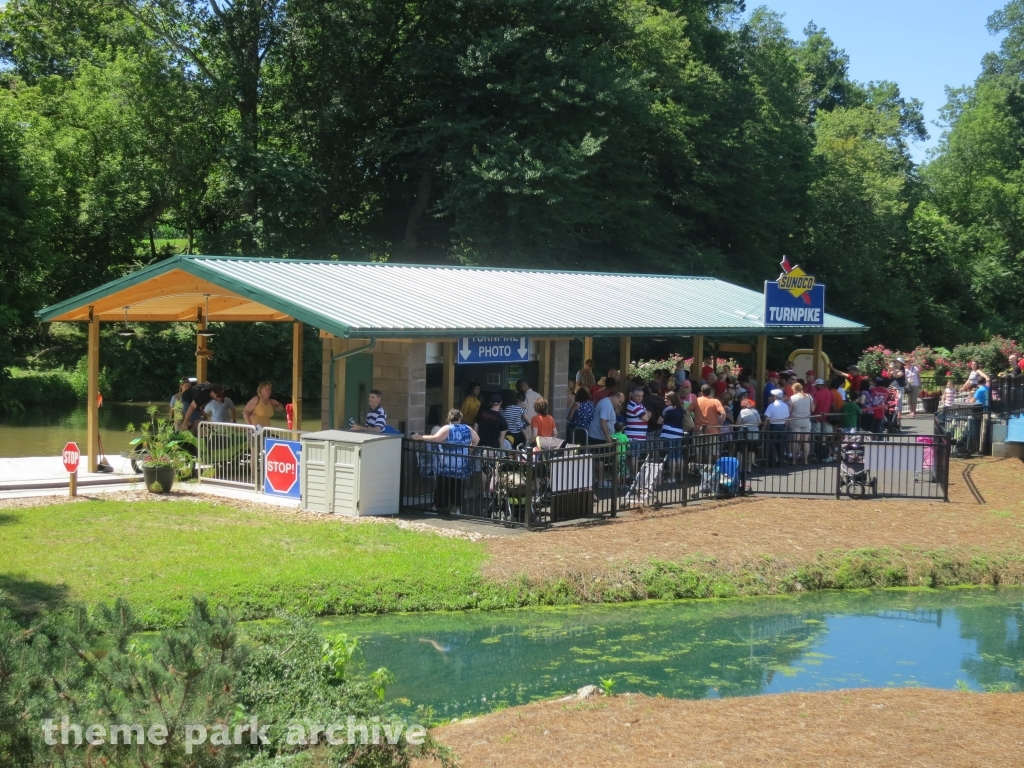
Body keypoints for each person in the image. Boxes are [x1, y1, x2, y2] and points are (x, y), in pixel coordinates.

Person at [412, 409, 479, 515]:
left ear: (449, 418)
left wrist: (419, 437)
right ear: (460, 418)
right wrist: (469, 449)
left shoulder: (447, 428)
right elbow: (477, 439)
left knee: (442, 485)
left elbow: (435, 438)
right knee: (458, 486)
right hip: (461, 463)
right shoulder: (467, 428)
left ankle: (437, 507)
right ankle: (457, 509)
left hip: (445, 463)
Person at [788, 382, 814, 465]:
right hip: (806, 420)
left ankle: (794, 461)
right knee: (806, 440)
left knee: (796, 440)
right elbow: (812, 409)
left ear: (794, 389)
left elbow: (789, 410)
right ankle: (805, 460)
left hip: (796, 420)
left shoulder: (792, 397)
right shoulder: (808, 396)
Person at [764, 389, 790, 466]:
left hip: (773, 426)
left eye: (772, 396)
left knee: (771, 445)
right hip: (782, 426)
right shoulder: (785, 406)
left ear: (775, 397)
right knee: (781, 445)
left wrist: (764, 426)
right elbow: (787, 418)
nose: (771, 397)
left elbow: (766, 418)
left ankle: (771, 462)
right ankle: (780, 461)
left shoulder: (771, 406)